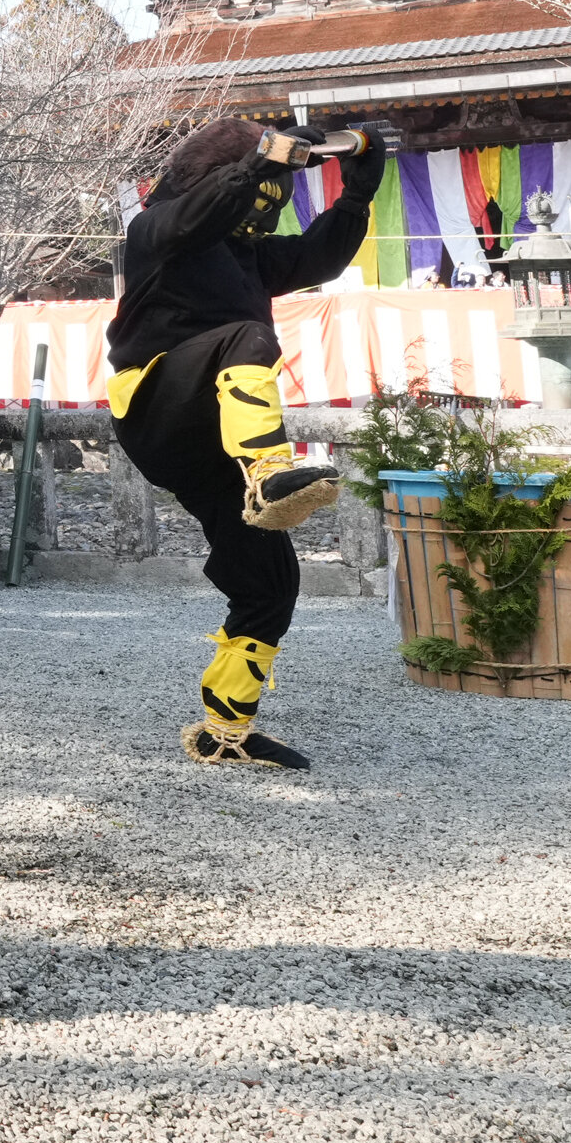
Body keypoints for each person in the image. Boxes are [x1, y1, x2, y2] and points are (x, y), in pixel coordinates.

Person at [102, 120, 378, 769]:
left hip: (212, 441)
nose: (267, 210)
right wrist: (255, 161)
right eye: (263, 195)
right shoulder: (156, 230)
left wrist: (357, 193)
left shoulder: (247, 255)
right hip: (156, 406)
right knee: (248, 338)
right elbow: (199, 211)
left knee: (269, 578)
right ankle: (268, 470)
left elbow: (320, 257)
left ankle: (226, 729)